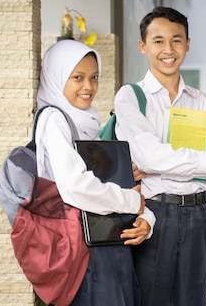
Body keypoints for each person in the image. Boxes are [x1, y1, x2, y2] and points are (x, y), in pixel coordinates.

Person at [113, 6, 206, 306]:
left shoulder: (203, 102)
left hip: (197, 215)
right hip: (154, 213)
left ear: (188, 44)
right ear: (143, 46)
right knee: (151, 298)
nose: (168, 49)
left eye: (176, 40)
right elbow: (148, 156)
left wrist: (160, 164)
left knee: (194, 299)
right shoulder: (130, 97)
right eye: (158, 41)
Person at [34, 39, 155, 306]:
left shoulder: (87, 120)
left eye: (94, 77)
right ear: (56, 77)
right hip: (83, 252)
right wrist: (132, 202)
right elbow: (75, 185)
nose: (88, 86)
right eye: (77, 77)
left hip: (106, 244)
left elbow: (107, 181)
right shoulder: (55, 120)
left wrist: (145, 216)